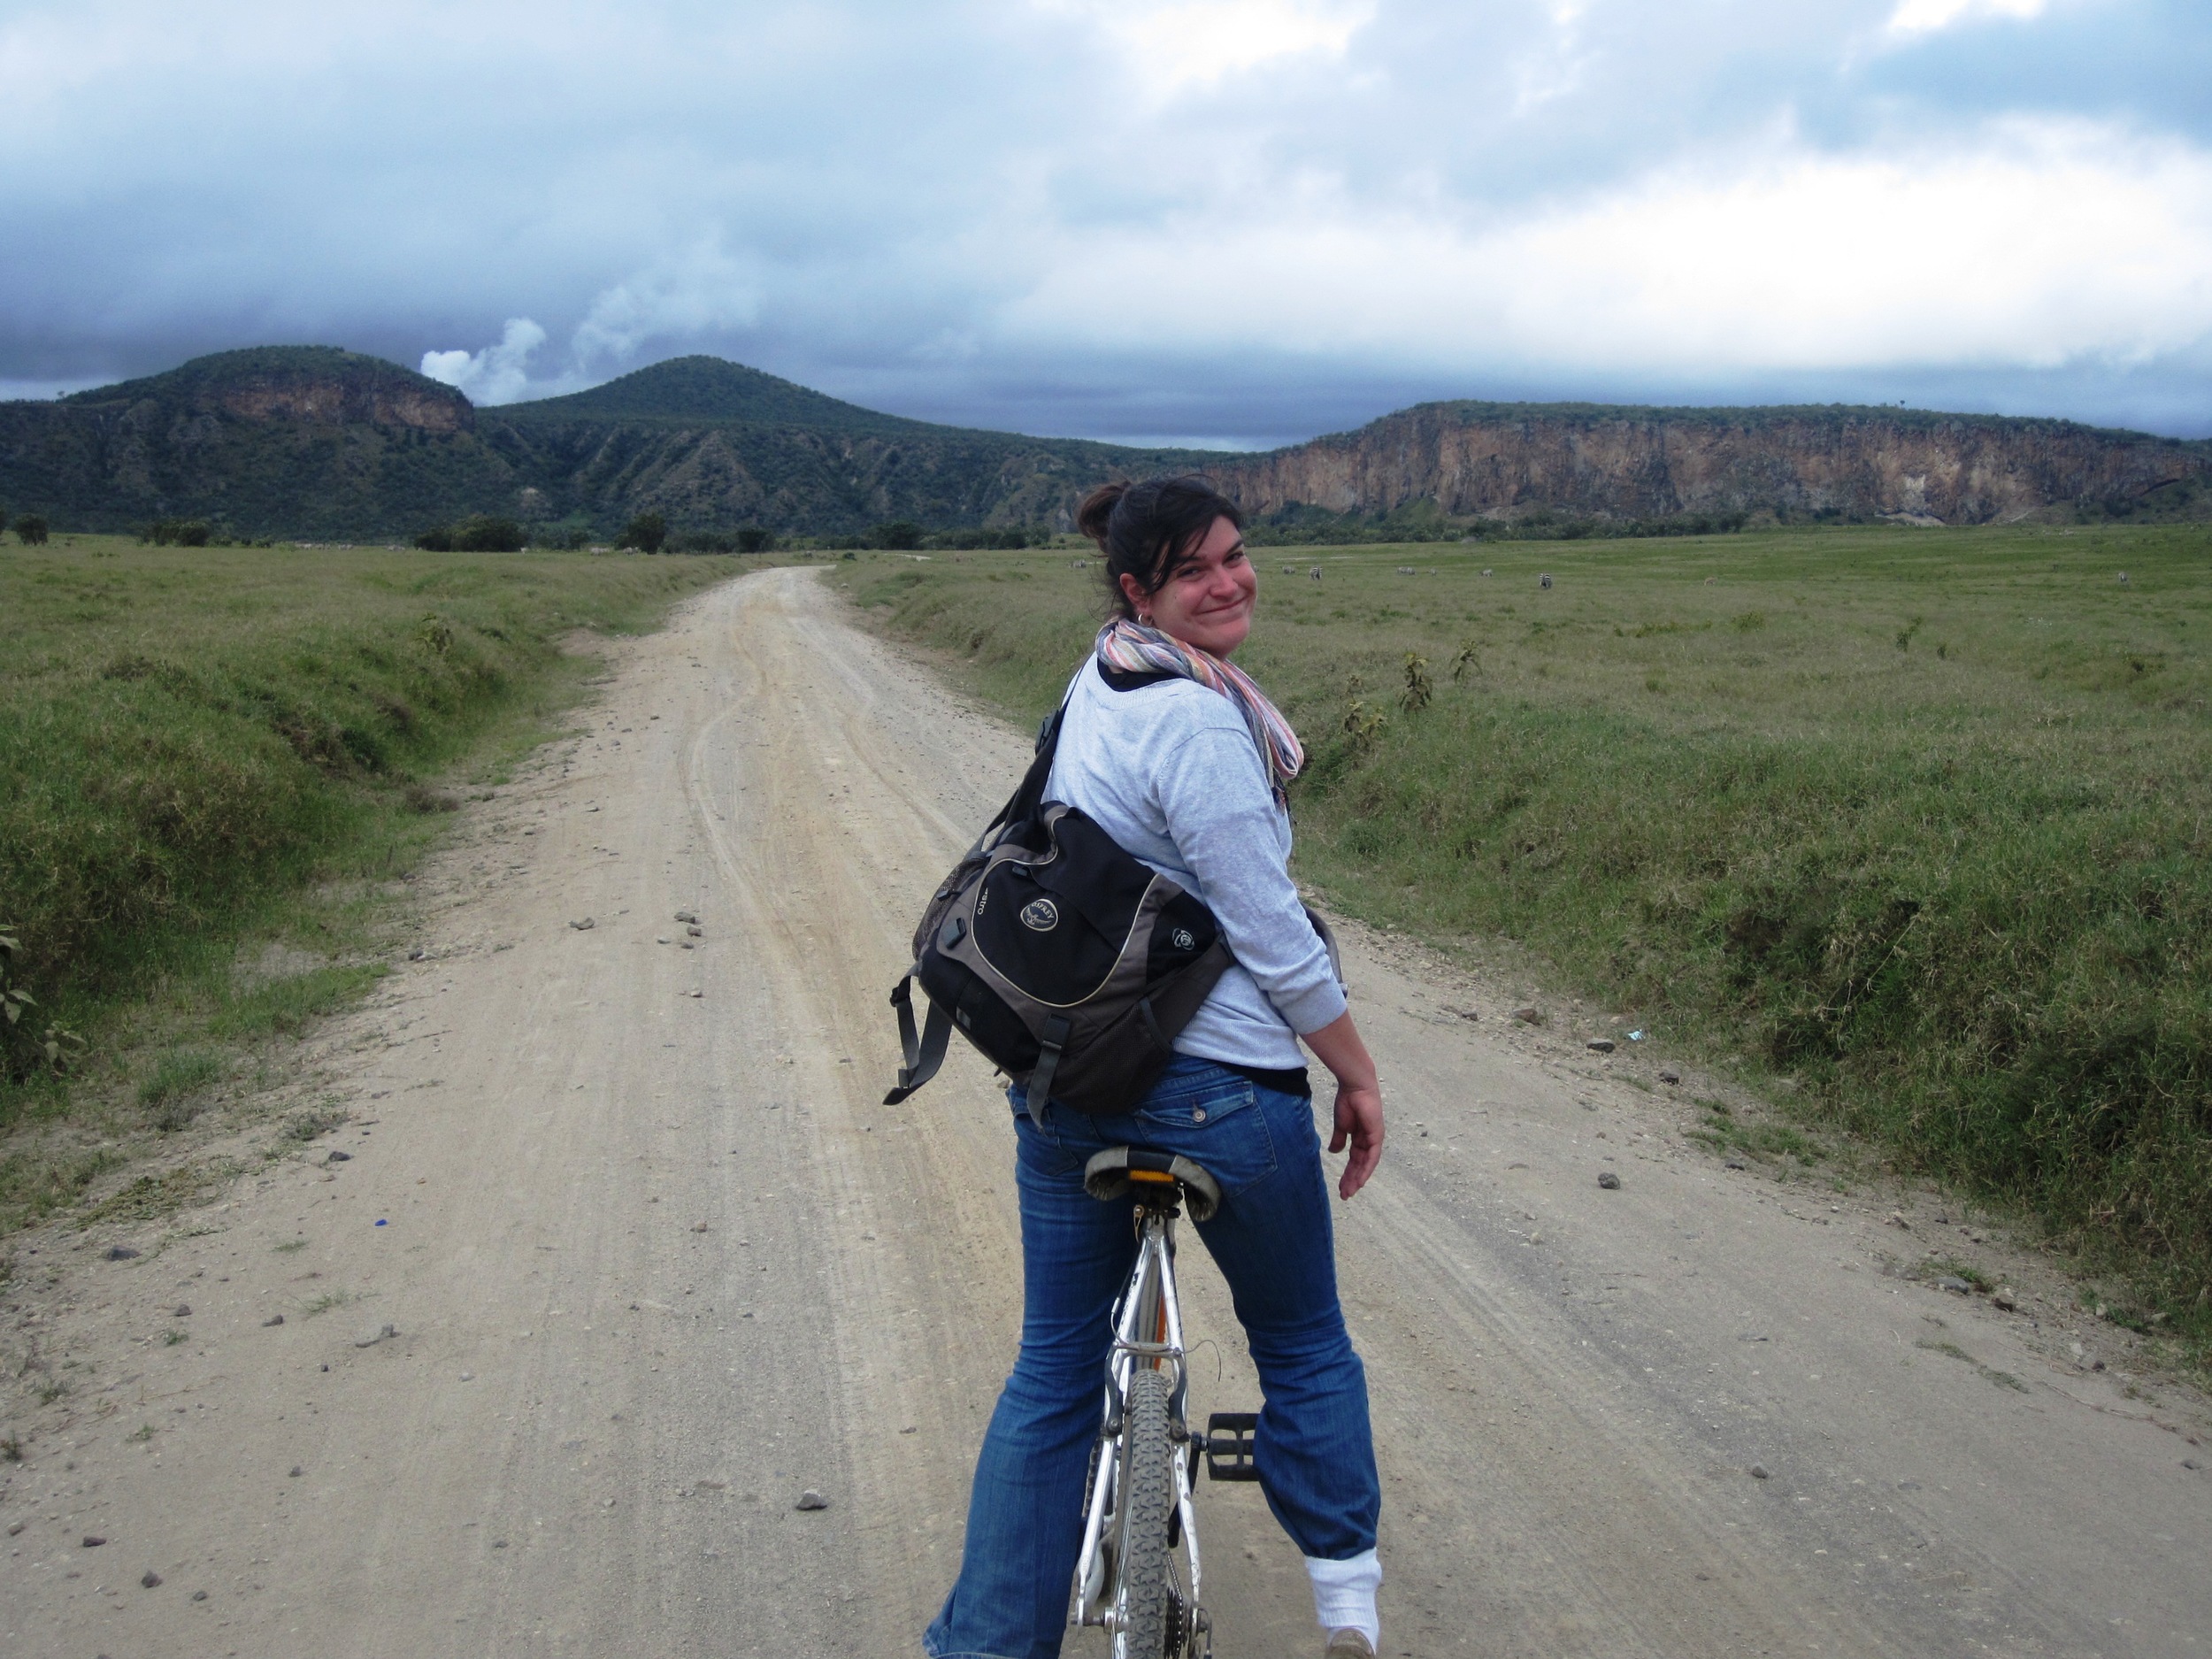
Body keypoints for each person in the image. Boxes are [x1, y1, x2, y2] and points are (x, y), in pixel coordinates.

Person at [923, 476, 1386, 1659]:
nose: (1230, 582)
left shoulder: (1105, 677)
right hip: (1224, 1094)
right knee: (1303, 1343)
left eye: (1237, 556)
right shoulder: (1196, 721)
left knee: (1054, 1374)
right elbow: (1272, 932)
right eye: (1198, 572)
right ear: (1142, 589)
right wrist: (1358, 1073)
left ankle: (985, 1647)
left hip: (1074, 1089)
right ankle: (1347, 1609)